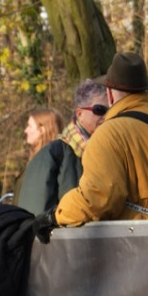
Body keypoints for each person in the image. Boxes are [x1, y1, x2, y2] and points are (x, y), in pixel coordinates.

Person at [50, 52, 148, 229]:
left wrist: (56, 215)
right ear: (147, 90)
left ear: (109, 95)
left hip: (141, 239)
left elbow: (97, 199)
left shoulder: (110, 133)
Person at [16, 81, 108, 214]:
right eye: (99, 110)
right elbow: (35, 215)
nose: (106, 116)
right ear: (79, 114)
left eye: (111, 110)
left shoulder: (106, 153)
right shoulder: (54, 154)